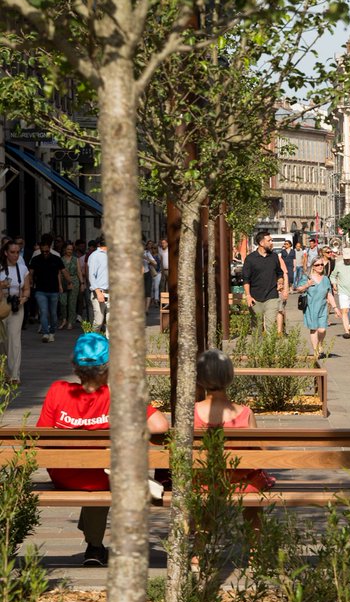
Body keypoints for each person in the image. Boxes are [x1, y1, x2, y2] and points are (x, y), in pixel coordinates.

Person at [37, 333, 170, 566]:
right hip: (102, 476)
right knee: (103, 473)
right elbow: (160, 426)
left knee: (97, 473)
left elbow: (40, 439)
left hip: (64, 474)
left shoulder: (58, 390)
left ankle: (95, 546)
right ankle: (95, 546)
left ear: (75, 366)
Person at [193, 349, 275, 493]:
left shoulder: (191, 413)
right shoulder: (245, 413)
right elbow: (262, 454)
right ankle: (253, 517)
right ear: (229, 376)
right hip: (241, 484)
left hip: (203, 483)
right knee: (257, 477)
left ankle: (205, 516)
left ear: (199, 377)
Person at [241, 231, 289, 334]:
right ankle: (258, 349)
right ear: (261, 243)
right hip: (255, 298)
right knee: (256, 329)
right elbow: (246, 279)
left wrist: (280, 281)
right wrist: (248, 295)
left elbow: (279, 273)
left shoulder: (274, 257)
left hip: (272, 296)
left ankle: (270, 350)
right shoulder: (250, 259)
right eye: (269, 240)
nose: (272, 242)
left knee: (270, 327)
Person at [2, 240, 31, 384]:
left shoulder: (23, 268)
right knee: (2, 341)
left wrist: (23, 299)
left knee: (14, 340)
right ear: (6, 253)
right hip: (1, 306)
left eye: (17, 252)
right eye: (12, 252)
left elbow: (26, 289)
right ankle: (4, 372)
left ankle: (14, 375)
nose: (15, 255)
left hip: (16, 307)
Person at [294, 257, 335, 358]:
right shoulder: (307, 277)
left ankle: (320, 344)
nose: (320, 267)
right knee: (313, 329)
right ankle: (316, 351)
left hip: (322, 307)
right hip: (310, 307)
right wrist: (306, 285)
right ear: (313, 266)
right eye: (317, 265)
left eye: (321, 264)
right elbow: (298, 289)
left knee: (322, 330)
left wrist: (335, 307)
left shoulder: (325, 279)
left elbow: (329, 294)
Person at [30, 234, 66, 343]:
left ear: (49, 248)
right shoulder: (36, 258)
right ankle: (45, 333)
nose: (45, 253)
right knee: (44, 312)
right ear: (40, 249)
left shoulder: (56, 258)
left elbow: (61, 272)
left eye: (46, 251)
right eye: (43, 251)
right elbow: (31, 273)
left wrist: (66, 283)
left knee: (54, 314)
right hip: (40, 290)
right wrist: (30, 282)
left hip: (53, 290)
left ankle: (52, 332)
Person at [61, 242, 82, 331]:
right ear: (65, 249)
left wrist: (82, 283)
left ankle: (70, 322)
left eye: (71, 249)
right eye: (68, 249)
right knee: (63, 302)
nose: (70, 251)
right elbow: (58, 273)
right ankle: (64, 319)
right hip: (63, 281)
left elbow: (79, 271)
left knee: (72, 302)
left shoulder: (75, 259)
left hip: (74, 281)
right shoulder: (61, 259)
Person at [142, 240, 159, 314]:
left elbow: (155, 263)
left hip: (147, 273)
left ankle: (146, 309)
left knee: (148, 292)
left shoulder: (147, 253)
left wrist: (146, 258)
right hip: (138, 275)